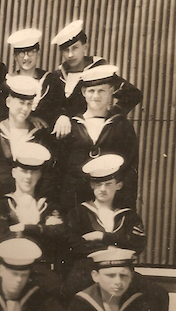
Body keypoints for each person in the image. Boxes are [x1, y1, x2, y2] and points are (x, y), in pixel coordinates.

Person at [63, 154, 147, 296]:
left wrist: (102, 236)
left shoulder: (128, 216)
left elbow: (137, 244)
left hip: (122, 272)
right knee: (71, 293)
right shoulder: (78, 213)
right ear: (91, 185)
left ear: (118, 185)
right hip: (88, 271)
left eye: (108, 184)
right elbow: (73, 244)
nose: (103, 189)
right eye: (98, 184)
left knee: (156, 293)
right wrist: (111, 247)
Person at [59, 65, 139, 213]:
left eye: (102, 90)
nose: (96, 96)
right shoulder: (71, 126)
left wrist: (126, 211)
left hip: (109, 205)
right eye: (91, 91)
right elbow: (59, 171)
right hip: (73, 205)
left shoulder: (122, 126)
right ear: (83, 92)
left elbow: (129, 172)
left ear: (111, 91)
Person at [47, 20, 142, 139]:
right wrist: (60, 116)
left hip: (92, 133)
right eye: (66, 50)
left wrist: (112, 115)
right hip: (64, 138)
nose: (70, 55)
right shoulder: (57, 76)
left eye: (75, 48)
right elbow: (50, 106)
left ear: (85, 47)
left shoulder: (98, 71)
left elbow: (133, 94)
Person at [0, 142, 66, 293]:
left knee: (56, 288)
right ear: (14, 173)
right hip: (12, 267)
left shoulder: (47, 205)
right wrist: (42, 230)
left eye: (33, 172)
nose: (28, 177)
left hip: (41, 267)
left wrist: (25, 228)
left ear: (39, 175)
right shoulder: (4, 204)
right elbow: (4, 237)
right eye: (24, 171)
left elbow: (59, 233)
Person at [0, 75, 55, 202]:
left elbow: (47, 172)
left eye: (29, 104)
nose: (25, 109)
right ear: (9, 102)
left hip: (30, 202)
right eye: (21, 103)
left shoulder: (38, 135)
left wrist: (42, 200)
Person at [0, 28, 64, 131]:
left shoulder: (51, 81)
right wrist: (29, 118)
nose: (26, 58)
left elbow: (60, 108)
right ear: (15, 57)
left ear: (38, 54)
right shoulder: (7, 83)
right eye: (21, 53)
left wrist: (63, 116)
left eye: (31, 52)